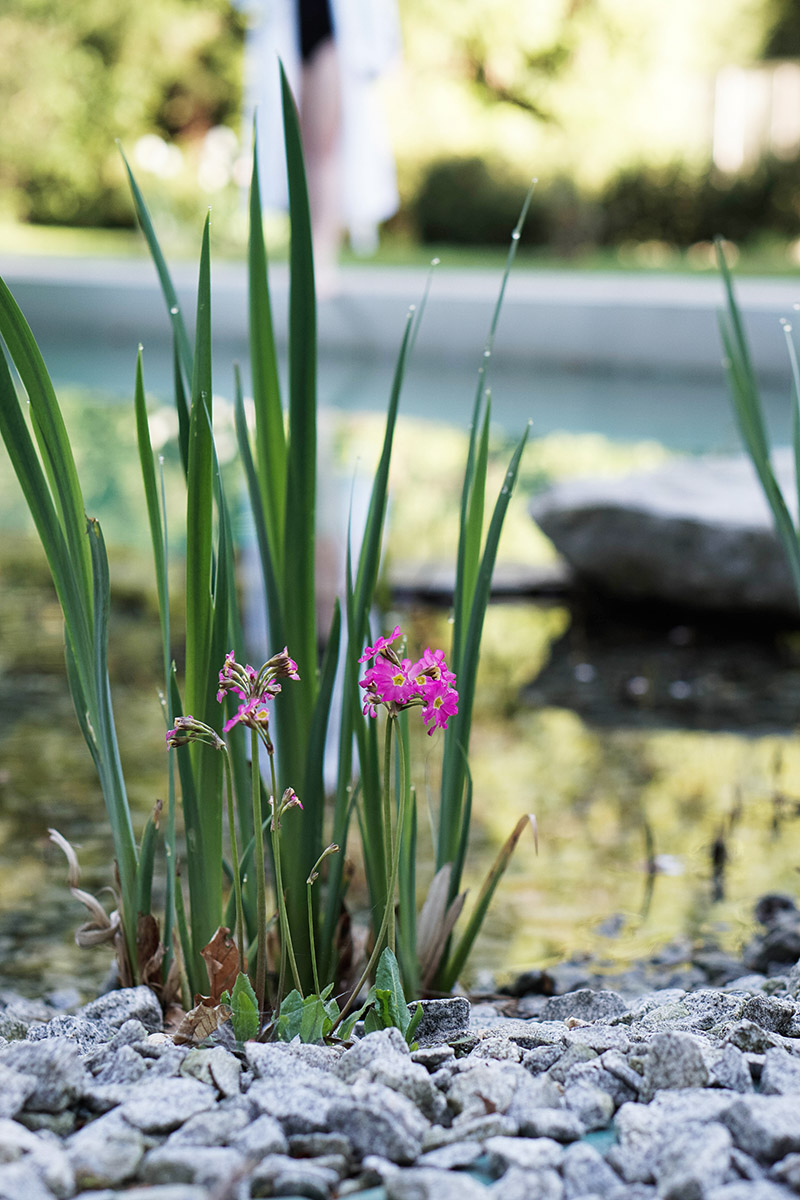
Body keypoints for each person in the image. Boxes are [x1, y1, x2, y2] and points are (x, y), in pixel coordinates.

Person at [239, 0, 401, 295]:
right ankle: (302, 251)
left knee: (325, 146)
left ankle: (320, 257)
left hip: (333, 31)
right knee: (295, 149)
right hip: (290, 24)